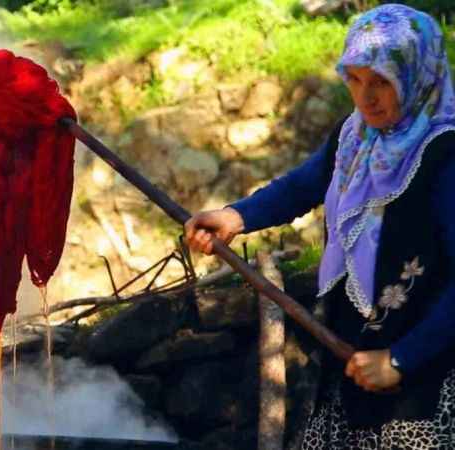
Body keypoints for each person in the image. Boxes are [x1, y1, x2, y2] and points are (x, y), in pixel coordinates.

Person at [185, 4, 455, 448]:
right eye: (354, 78)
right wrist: (235, 216)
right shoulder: (355, 137)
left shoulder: (445, 155)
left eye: (382, 82)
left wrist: (402, 360)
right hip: (351, 367)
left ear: (418, 76)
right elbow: (303, 186)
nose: (365, 97)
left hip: (424, 385)